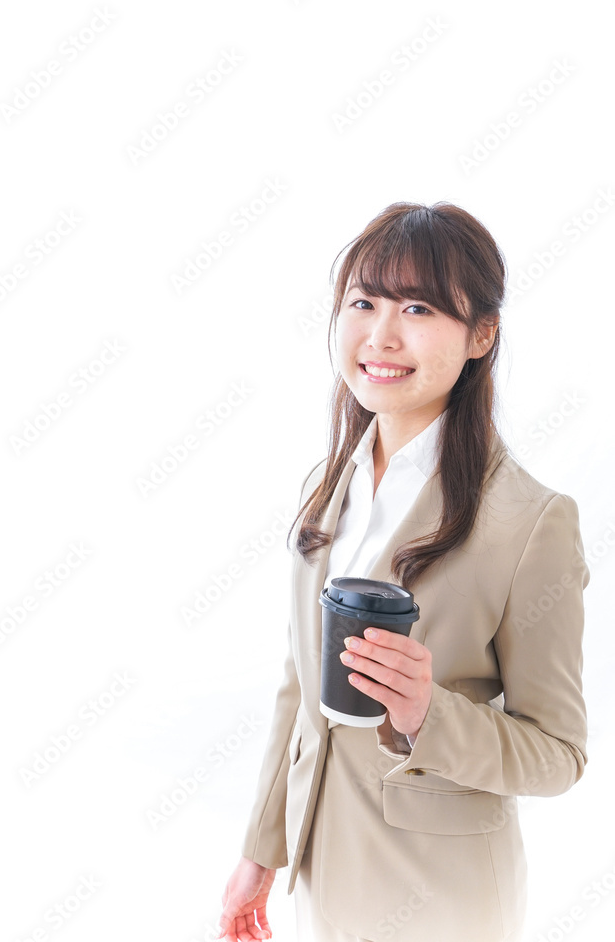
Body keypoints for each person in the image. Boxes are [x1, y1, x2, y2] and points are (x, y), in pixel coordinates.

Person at [216, 201, 589, 942]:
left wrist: (427, 715)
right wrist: (261, 851)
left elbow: (559, 755)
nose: (381, 336)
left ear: (481, 335)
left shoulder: (531, 520)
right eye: (363, 302)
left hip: (442, 899)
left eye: (417, 308)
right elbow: (300, 681)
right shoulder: (326, 485)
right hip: (322, 872)